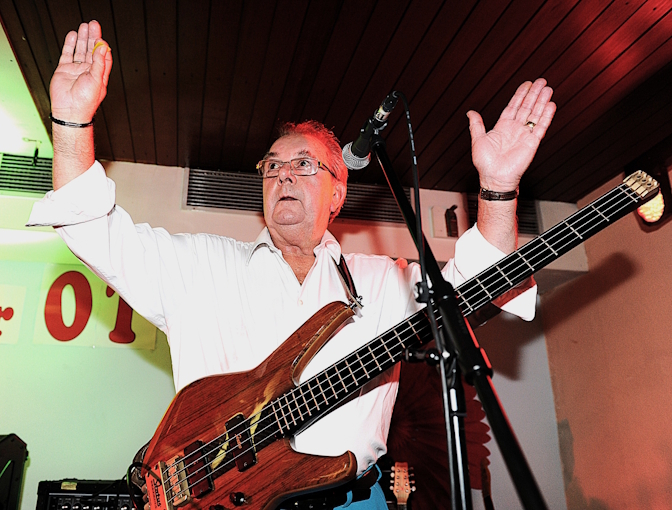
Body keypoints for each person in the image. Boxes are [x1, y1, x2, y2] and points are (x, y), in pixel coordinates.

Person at [28, 20, 556, 510]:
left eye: (304, 164)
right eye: (272, 166)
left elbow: (482, 286)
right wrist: (72, 122)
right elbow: (93, 229)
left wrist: (498, 187)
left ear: (338, 193)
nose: (283, 175)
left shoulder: (383, 280)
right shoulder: (201, 266)